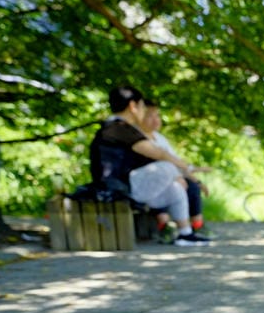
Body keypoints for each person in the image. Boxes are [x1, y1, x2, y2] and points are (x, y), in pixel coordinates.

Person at [89, 85, 211, 247]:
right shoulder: (117, 128)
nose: (143, 111)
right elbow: (158, 153)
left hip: (128, 186)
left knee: (176, 187)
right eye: (142, 107)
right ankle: (177, 228)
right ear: (133, 106)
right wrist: (184, 169)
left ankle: (185, 233)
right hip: (117, 189)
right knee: (166, 167)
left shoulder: (120, 128)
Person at [137, 98, 213, 240]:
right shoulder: (136, 137)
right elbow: (161, 163)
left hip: (168, 176)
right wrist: (177, 176)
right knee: (168, 185)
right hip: (147, 182)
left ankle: (196, 225)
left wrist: (197, 179)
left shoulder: (159, 138)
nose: (155, 120)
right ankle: (165, 226)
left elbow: (177, 162)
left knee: (192, 187)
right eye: (150, 116)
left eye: (157, 115)